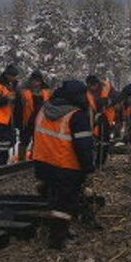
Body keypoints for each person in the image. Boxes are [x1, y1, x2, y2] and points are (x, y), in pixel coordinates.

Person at [32, 80, 96, 249]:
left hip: (43, 163)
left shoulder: (44, 110)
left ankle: (49, 229)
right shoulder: (76, 116)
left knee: (51, 196)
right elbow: (84, 146)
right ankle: (57, 240)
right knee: (65, 203)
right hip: (66, 166)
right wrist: (88, 167)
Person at [85, 75, 120, 167]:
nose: (93, 87)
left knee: (104, 141)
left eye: (94, 85)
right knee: (92, 141)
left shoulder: (108, 88)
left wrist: (108, 101)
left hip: (107, 118)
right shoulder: (87, 93)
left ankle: (100, 162)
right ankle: (92, 162)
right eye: (90, 85)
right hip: (93, 119)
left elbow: (118, 98)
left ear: (97, 83)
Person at [18, 70, 51, 161]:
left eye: (38, 81)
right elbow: (18, 107)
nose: (36, 83)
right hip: (27, 120)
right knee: (24, 141)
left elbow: (50, 105)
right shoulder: (24, 91)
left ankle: (33, 158)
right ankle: (21, 160)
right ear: (31, 80)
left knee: (37, 141)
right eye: (34, 80)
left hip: (41, 121)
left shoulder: (47, 92)